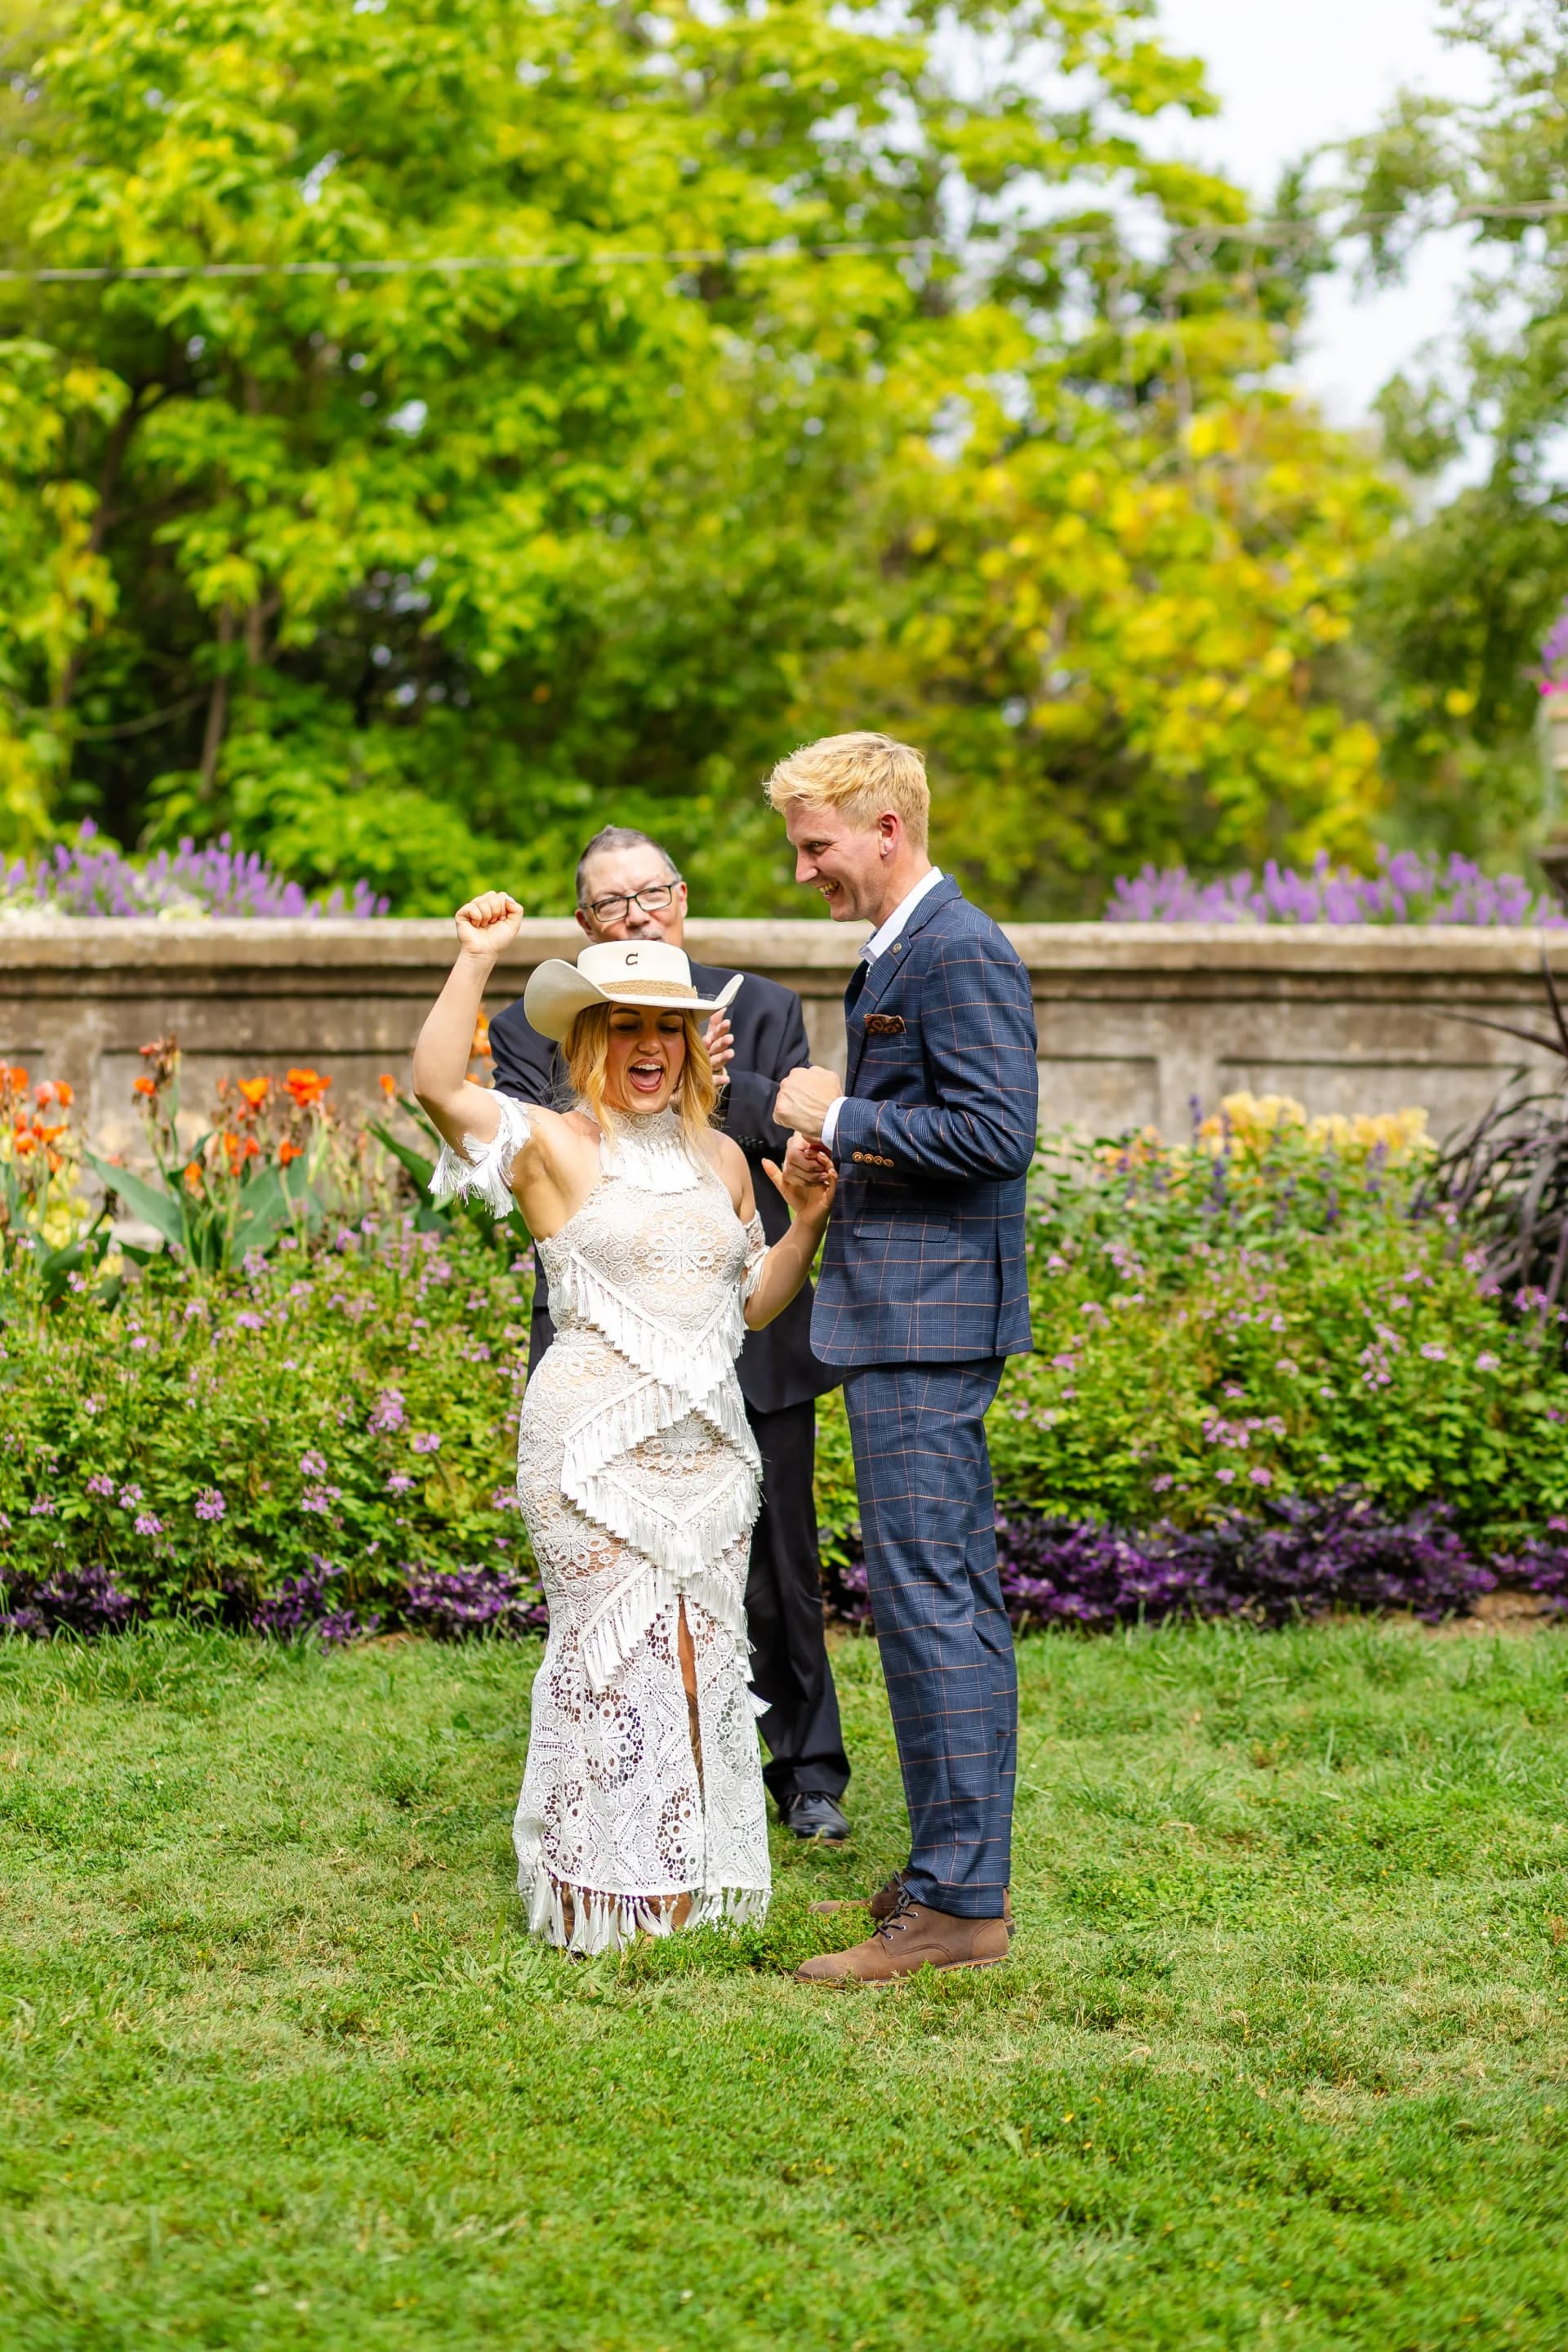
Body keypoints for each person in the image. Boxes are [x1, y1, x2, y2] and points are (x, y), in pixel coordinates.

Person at [412, 893, 835, 1953]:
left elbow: (751, 1305)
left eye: (668, 1027)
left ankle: (676, 1885)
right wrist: (474, 958)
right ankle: (593, 1894)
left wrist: (806, 1226)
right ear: (589, 1041)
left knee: (695, 1662)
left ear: (692, 1044)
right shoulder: (551, 1145)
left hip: (709, 1456)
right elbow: (436, 1086)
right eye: (627, 1025)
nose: (650, 1045)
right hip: (590, 1457)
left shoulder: (724, 1159)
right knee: (609, 1662)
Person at [488, 826, 852, 1843]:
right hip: (606, 1342)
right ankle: (629, 1776)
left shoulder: (762, 1006)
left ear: (682, 899)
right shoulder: (528, 1026)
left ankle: (807, 1772)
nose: (637, 913)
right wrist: (652, 1069)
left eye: (652, 894)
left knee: (780, 1563)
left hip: (744, 1324)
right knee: (617, 1573)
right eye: (612, 903)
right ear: (584, 924)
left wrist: (717, 1083)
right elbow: (543, 1137)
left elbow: (793, 1139)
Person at [765, 733, 1039, 1983]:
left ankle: (958, 1907)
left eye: (817, 846)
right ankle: (947, 1876)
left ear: (888, 828)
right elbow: (940, 1128)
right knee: (934, 1598)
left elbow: (997, 1132)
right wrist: (844, 1157)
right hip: (907, 1319)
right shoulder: (902, 946)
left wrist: (838, 1111)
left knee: (936, 1605)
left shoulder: (957, 948)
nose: (805, 871)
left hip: (929, 1328)